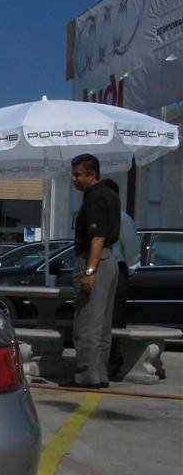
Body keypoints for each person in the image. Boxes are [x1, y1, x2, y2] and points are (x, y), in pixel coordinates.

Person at [69, 154, 120, 388]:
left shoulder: (95, 198)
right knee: (102, 324)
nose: (74, 179)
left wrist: (90, 271)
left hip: (94, 257)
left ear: (91, 174)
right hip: (110, 259)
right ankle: (100, 373)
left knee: (88, 323)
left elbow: (97, 236)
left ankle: (87, 375)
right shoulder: (111, 194)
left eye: (78, 174)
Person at [101, 179, 140, 380]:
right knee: (102, 318)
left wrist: (131, 269)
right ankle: (104, 362)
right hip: (106, 267)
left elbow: (131, 247)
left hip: (117, 266)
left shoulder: (121, 218)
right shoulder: (99, 215)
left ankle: (113, 362)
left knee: (114, 317)